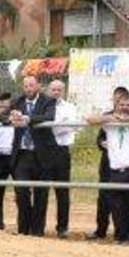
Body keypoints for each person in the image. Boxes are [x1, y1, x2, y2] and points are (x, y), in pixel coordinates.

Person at [86, 93, 129, 244]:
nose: (125, 108)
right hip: (116, 170)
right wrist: (111, 118)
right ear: (116, 106)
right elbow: (90, 119)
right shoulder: (110, 122)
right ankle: (121, 237)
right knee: (118, 207)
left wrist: (127, 119)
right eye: (122, 105)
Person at [8, 75, 57, 237]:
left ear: (38, 86)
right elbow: (2, 116)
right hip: (22, 154)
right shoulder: (18, 101)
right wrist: (11, 117)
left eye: (31, 85)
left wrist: (28, 119)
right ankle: (23, 228)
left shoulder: (47, 101)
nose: (28, 88)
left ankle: (37, 231)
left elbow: (49, 117)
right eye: (25, 86)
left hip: (42, 154)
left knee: (41, 194)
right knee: (21, 192)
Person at [46, 79, 77, 237]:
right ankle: (38, 226)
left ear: (63, 91)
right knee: (41, 190)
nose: (56, 92)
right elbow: (42, 125)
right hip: (44, 152)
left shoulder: (70, 108)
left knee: (62, 192)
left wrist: (52, 126)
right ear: (48, 90)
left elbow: (70, 125)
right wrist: (58, 125)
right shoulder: (43, 106)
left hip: (62, 151)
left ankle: (62, 227)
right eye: (53, 89)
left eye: (59, 90)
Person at [0, 92, 15, 230]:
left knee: (21, 191)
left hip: (15, 157)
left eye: (7, 106)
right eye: (1, 106)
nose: (4, 109)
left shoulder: (16, 119)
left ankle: (24, 224)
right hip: (0, 157)